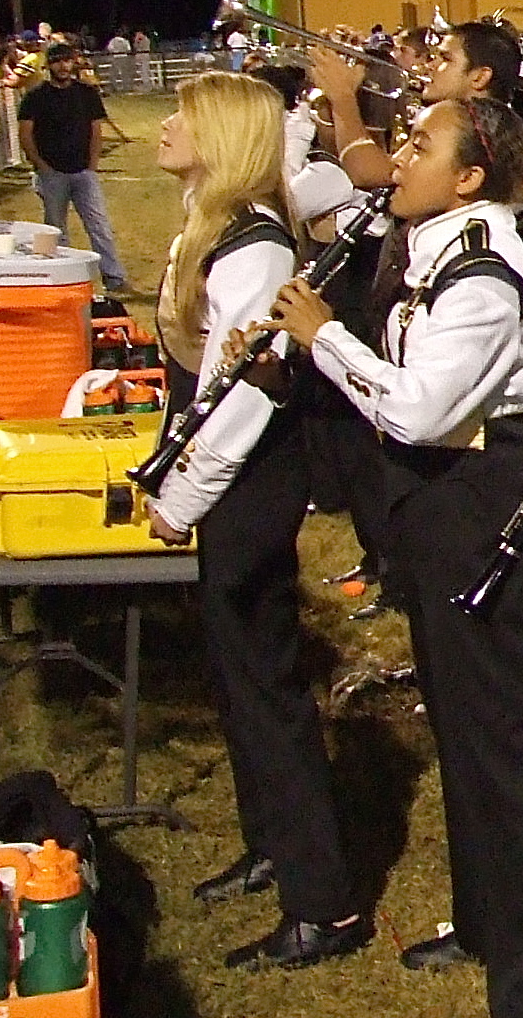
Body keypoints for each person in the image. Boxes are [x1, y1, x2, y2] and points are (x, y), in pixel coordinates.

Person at [264, 96, 523, 1018]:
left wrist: (326, 337)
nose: (398, 155)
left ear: (469, 176)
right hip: (444, 507)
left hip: (481, 503)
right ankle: (491, 924)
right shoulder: (437, 248)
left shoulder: (484, 272)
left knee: (509, 753)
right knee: (462, 730)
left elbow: (417, 411)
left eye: (421, 144)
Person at [135, 74, 367, 972]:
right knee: (238, 677)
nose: (165, 126)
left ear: (223, 135)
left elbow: (239, 399)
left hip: (250, 480)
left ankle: (323, 902)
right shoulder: (211, 226)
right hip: (226, 479)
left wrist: (179, 498)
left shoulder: (254, 248)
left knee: (267, 686)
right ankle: (271, 842)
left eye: (183, 116)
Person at [19, 45, 132, 295]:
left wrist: (92, 165)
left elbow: (96, 130)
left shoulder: (87, 93)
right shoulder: (35, 97)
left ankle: (114, 276)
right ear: (49, 65)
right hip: (51, 174)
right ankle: (59, 276)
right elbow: (25, 134)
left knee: (99, 226)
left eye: (67, 61)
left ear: (73, 63)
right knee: (54, 228)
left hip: (83, 173)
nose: (63, 66)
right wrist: (41, 166)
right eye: (57, 61)